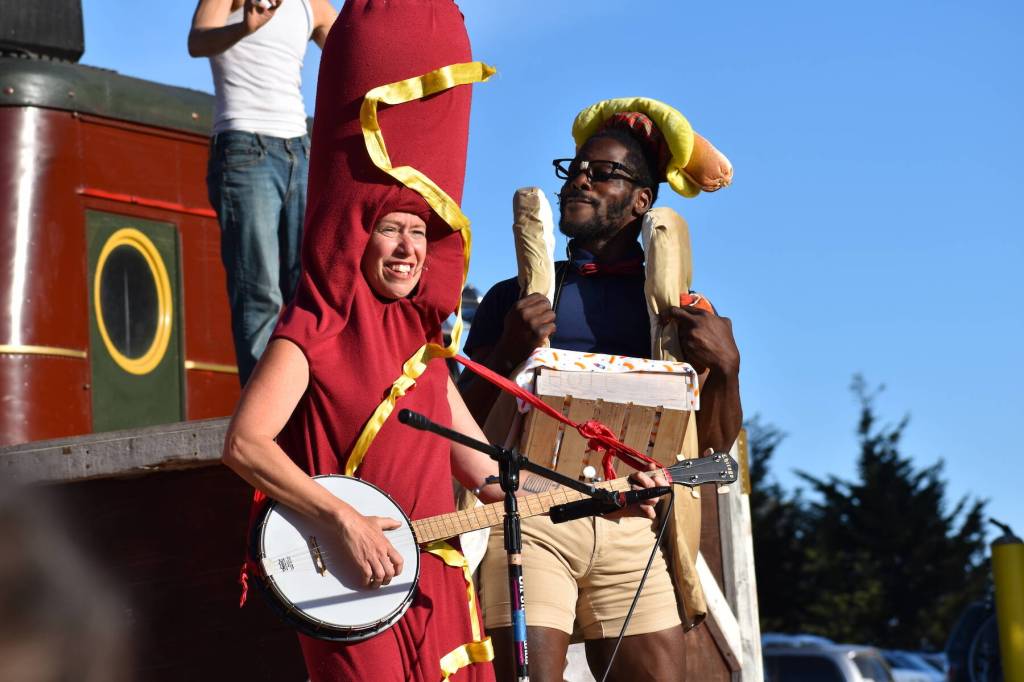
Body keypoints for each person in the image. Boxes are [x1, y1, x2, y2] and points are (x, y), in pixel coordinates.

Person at [458, 115, 743, 681]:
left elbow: (710, 450)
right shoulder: (513, 299)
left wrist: (729, 370)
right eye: (575, 170)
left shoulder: (682, 314)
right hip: (529, 518)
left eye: (603, 172)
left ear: (642, 201)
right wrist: (508, 350)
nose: (579, 181)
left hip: (635, 524)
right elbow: (461, 419)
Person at [188, 0, 337, 384]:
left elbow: (353, 51)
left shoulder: (312, 5)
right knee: (259, 295)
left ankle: (310, 398)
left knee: (311, 288)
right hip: (244, 148)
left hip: (299, 151)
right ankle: (263, 411)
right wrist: (244, 27)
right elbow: (198, 41)